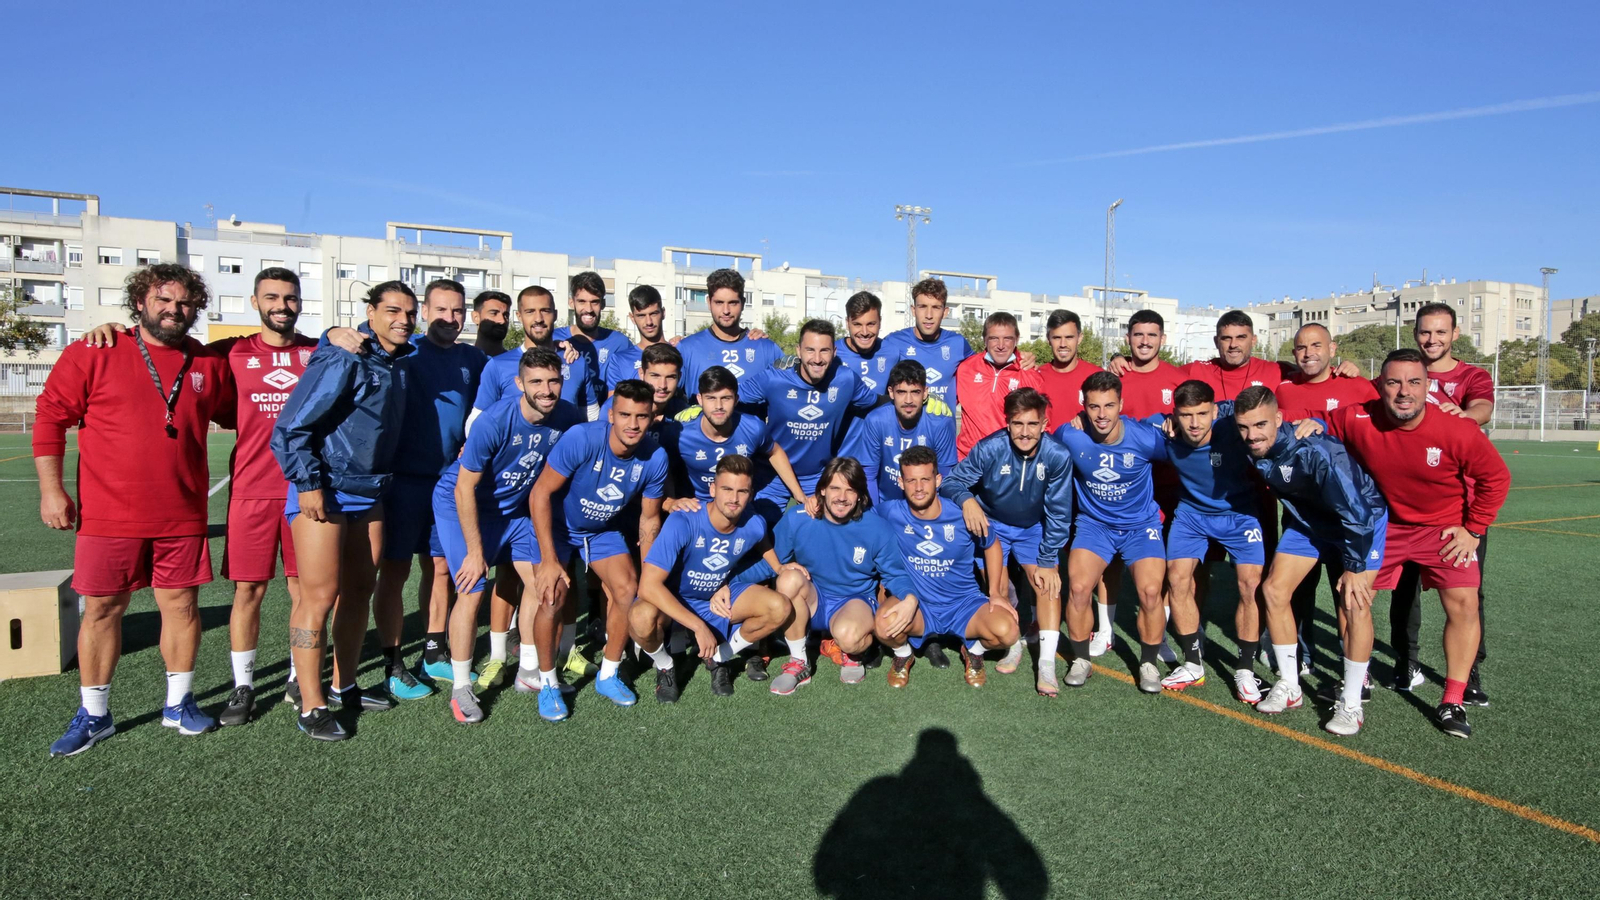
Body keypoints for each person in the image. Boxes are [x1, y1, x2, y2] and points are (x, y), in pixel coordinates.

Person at [76, 266, 318, 727]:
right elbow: (164, 347)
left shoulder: (319, 352)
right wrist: (110, 328)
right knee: (248, 591)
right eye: (272, 297)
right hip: (250, 491)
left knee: (304, 591)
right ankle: (243, 685)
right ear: (255, 302)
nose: (281, 306)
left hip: (305, 491)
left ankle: (296, 676)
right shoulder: (225, 354)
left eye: (290, 298)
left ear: (300, 302)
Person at [36, 263, 234, 756]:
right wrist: (51, 490)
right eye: (164, 300)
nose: (174, 310)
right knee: (103, 610)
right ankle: (95, 713)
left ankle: (179, 703)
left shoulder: (206, 363)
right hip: (109, 514)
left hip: (181, 515)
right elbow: (50, 418)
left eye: (185, 303)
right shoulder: (94, 350)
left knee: (182, 609)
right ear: (140, 301)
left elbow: (246, 405)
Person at [1327, 349, 1510, 739]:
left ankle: (1453, 699)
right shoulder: (1357, 418)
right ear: (1380, 386)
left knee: (1464, 602)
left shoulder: (1456, 429)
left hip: (1443, 529)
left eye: (1414, 383)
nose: (1403, 392)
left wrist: (1473, 530)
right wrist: (1310, 425)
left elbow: (1497, 478)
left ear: (1429, 387)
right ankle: (1355, 689)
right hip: (1384, 528)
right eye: (1393, 382)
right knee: (1353, 597)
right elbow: (1318, 424)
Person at [270, 281, 417, 741]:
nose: (404, 319)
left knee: (359, 590)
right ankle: (311, 702)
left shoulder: (401, 361)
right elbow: (290, 427)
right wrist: (308, 484)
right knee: (318, 596)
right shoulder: (344, 354)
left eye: (411, 312)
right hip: (325, 491)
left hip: (368, 492)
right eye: (393, 310)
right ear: (370, 312)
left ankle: (344, 685)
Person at [436, 347, 578, 723]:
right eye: (536, 382)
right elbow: (464, 489)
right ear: (519, 384)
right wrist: (474, 550)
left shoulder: (567, 416)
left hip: (515, 510)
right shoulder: (494, 421)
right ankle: (462, 687)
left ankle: (529, 670)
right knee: (471, 585)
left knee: (542, 582)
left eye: (553, 381)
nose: (546, 389)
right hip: (463, 506)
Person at [1235, 386, 1386, 735]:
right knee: (1273, 591)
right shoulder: (1251, 439)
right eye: (1243, 427)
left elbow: (1357, 512)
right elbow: (1217, 407)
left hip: (1360, 524)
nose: (1251, 435)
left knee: (1354, 603)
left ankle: (1351, 704)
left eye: (1260, 425)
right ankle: (1290, 686)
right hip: (1310, 523)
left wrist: (1354, 567)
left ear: (1279, 419)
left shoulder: (1315, 451)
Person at [526, 380, 669, 721]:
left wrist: (651, 575)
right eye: (624, 415)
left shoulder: (655, 456)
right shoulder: (582, 438)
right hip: (558, 529)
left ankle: (609, 672)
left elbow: (649, 521)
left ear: (652, 417)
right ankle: (547, 682)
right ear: (611, 413)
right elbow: (540, 495)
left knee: (628, 588)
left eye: (642, 416)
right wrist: (548, 559)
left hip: (601, 530)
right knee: (551, 596)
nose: (633, 424)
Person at [369, 278, 486, 694]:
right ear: (424, 310)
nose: (449, 319)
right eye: (441, 310)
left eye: (457, 311)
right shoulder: (405, 351)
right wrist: (334, 333)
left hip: (449, 483)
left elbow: (485, 410)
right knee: (395, 569)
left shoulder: (474, 359)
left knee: (439, 568)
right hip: (403, 480)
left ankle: (434, 650)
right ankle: (393, 661)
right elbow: (363, 336)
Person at [631, 455, 807, 700]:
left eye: (742, 491)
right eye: (726, 489)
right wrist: (698, 626)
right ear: (712, 488)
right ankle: (664, 665)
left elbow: (762, 542)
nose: (734, 499)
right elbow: (648, 587)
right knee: (640, 617)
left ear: (751, 493)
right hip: (674, 602)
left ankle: (719, 656)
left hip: (715, 601)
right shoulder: (683, 520)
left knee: (779, 607)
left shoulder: (754, 524)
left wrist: (779, 568)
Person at [1390, 302, 1496, 700]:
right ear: (1414, 333)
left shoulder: (1471, 375)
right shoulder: (1403, 373)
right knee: (1405, 590)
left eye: (1439, 332)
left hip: (1459, 509)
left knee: (1469, 593)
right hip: (1405, 505)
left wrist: (1465, 415)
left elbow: (1484, 407)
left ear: (1455, 334)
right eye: (1424, 332)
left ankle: (1469, 674)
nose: (1431, 340)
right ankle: (1406, 661)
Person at [737, 458, 917, 685]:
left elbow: (895, 574)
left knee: (849, 639)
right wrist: (726, 581)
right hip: (813, 598)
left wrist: (910, 599)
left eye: (850, 490)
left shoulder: (877, 527)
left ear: (861, 496)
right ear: (822, 489)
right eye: (835, 488)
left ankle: (853, 652)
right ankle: (799, 661)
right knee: (788, 577)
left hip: (854, 599)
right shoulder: (798, 519)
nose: (842, 497)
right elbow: (771, 563)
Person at [939, 388, 1071, 694]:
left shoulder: (1057, 455)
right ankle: (1014, 643)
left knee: (1046, 584)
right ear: (1007, 423)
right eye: (1017, 424)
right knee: (997, 589)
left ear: (1045, 423)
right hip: (993, 525)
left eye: (1032, 424)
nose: (1025, 433)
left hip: (1030, 528)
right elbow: (952, 482)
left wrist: (1049, 559)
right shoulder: (989, 448)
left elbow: (1059, 512)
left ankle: (1047, 667)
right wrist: (968, 501)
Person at [1271, 322, 1378, 681]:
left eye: (1316, 345)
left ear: (1333, 348)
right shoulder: (1283, 390)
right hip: (1302, 511)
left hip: (1347, 512)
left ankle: (1355, 674)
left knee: (1347, 594)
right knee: (1296, 590)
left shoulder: (1359, 386)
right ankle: (1302, 656)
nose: (1308, 353)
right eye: (1301, 347)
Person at [1054, 371, 1171, 694]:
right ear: (1084, 406)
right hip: (1095, 526)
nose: (1102, 414)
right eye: (1093, 407)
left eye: (1109, 406)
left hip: (1140, 527)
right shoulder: (1070, 434)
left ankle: (1148, 662)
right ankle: (1081, 659)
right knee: (1078, 588)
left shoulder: (1146, 438)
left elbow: (1186, 449)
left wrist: (1168, 421)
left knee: (1150, 592)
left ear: (1121, 404)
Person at [1154, 381, 1268, 698]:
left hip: (1240, 514)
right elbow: (1123, 427)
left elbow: (1262, 414)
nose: (1194, 423)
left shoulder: (1232, 424)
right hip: (1191, 514)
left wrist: (1315, 423)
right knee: (1177, 579)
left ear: (1214, 411)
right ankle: (1193, 664)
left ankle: (1245, 669)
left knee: (1249, 584)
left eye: (1202, 414)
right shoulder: (1164, 429)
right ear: (1174, 413)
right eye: (1186, 415)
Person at [875, 447, 1021, 688]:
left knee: (1007, 632)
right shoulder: (889, 511)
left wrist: (995, 592)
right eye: (911, 480)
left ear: (938, 480)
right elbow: (855, 516)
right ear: (901, 482)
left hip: (963, 604)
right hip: (918, 606)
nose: (919, 487)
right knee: (883, 625)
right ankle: (903, 655)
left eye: (925, 479)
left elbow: (992, 544)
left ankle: (973, 650)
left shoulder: (963, 514)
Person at [1097, 310, 1185, 657]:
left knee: (1159, 562)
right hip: (1121, 487)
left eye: (1152, 335)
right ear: (1128, 338)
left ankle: (1158, 633)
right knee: (1111, 561)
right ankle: (1106, 630)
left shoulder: (1179, 379)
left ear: (1162, 339)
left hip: (1167, 484)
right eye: (1138, 335)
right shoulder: (1114, 376)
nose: (1145, 341)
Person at [737, 319, 880, 525]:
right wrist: (696, 407)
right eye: (810, 350)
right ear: (798, 351)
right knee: (759, 529)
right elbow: (728, 396)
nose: (817, 358)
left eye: (824, 351)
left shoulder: (846, 380)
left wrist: (923, 403)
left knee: (828, 531)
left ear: (834, 352)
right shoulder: (774, 379)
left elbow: (876, 402)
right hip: (772, 473)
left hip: (816, 475)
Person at [659, 365, 809, 516]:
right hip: (695, 508)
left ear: (736, 399)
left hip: (737, 508)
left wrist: (798, 494)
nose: (718, 406)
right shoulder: (678, 433)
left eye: (726, 398)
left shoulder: (753, 428)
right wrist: (671, 500)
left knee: (761, 529)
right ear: (699, 399)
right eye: (711, 398)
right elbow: (664, 469)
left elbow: (775, 452)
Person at [842, 360, 957, 505]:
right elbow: (869, 476)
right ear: (891, 392)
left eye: (915, 392)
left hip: (926, 506)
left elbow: (946, 478)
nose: (908, 400)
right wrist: (877, 513)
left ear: (925, 393)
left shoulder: (940, 423)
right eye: (901, 392)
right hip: (887, 504)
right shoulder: (876, 420)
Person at [952, 312, 1044, 459]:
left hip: (1009, 460)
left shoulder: (1030, 374)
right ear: (984, 340)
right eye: (994, 338)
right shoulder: (965, 369)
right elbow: (944, 404)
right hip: (967, 459)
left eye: (1007, 339)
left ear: (1017, 340)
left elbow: (1043, 425)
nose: (1001, 345)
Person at [676, 267, 784, 391]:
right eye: (719, 302)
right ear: (708, 302)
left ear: (743, 303)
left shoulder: (766, 348)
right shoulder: (687, 348)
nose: (726, 311)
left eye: (733, 303)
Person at [881, 277, 973, 403]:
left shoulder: (958, 343)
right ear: (913, 310)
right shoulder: (893, 342)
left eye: (936, 307)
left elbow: (982, 372)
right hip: (906, 423)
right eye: (923, 306)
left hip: (944, 422)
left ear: (945, 312)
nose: (929, 315)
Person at [555, 270, 636, 398]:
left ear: (603, 304)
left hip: (604, 417)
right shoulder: (554, 339)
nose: (589, 309)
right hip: (566, 417)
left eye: (595, 302)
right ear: (572, 303)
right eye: (582, 301)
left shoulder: (620, 343)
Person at [1034, 309, 1104, 431]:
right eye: (1056, 337)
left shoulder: (1097, 376)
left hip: (1085, 449)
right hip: (1048, 449)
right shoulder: (1035, 377)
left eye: (1069, 337)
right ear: (1048, 339)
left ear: (1080, 338)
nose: (1063, 344)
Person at [603, 284, 678, 388]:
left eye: (653, 314)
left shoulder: (680, 351)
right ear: (632, 318)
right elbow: (614, 402)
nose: (649, 322)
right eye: (641, 315)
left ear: (663, 313)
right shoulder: (619, 360)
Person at [834, 290, 894, 394]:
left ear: (880, 322)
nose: (865, 332)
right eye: (857, 324)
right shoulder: (831, 354)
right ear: (847, 323)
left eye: (871, 324)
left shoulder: (893, 352)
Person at [470, 289, 513, 357]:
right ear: (476, 317)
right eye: (494, 313)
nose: (502, 320)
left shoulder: (517, 363)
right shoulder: (461, 361)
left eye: (506, 315)